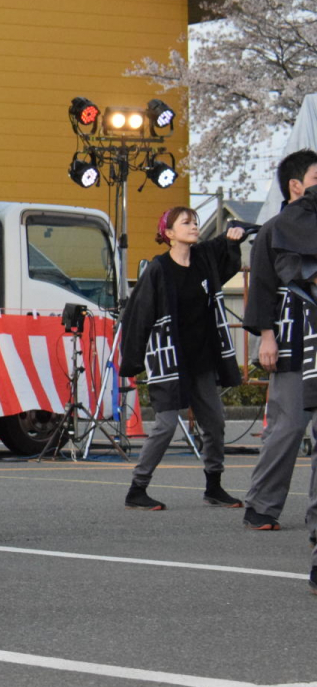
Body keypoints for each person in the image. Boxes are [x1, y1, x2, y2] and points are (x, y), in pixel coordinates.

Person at [119, 207, 245, 510]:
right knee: (164, 425)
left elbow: (229, 244)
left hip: (201, 360)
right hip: (169, 362)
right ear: (169, 233)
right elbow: (138, 316)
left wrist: (235, 238)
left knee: (214, 422)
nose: (194, 226)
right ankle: (137, 489)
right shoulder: (159, 270)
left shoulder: (204, 259)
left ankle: (214, 486)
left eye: (195, 222)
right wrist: (132, 361)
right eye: (186, 222)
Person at [243, 150, 317, 532]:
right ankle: (261, 504)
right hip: (290, 339)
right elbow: (262, 290)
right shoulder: (273, 229)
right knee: (288, 426)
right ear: (296, 185)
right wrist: (266, 338)